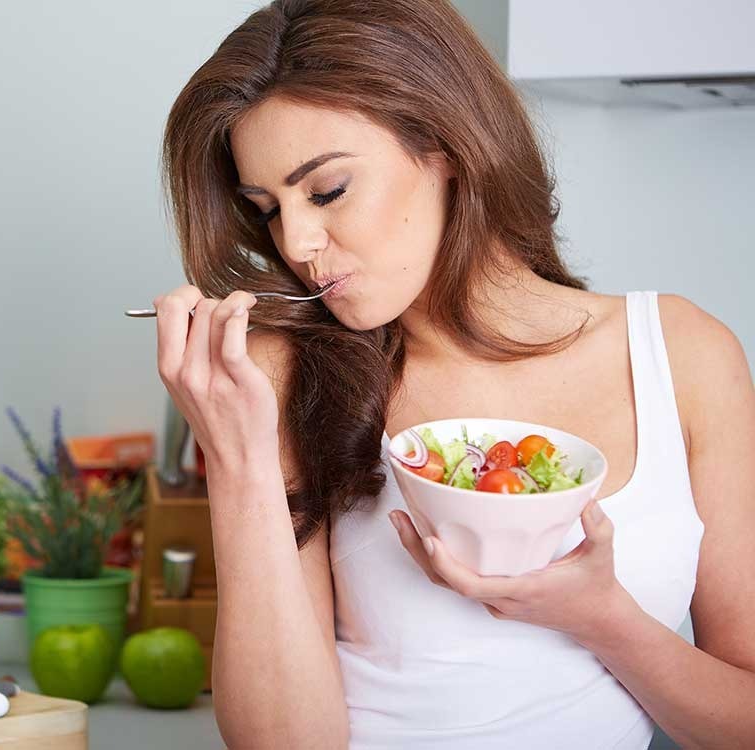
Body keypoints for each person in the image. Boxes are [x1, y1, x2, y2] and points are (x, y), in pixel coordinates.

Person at [150, 1, 755, 748]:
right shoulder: (286, 373)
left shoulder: (683, 355)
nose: (299, 242)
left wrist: (604, 619)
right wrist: (239, 460)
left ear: (446, 145)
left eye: (328, 190)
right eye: (268, 209)